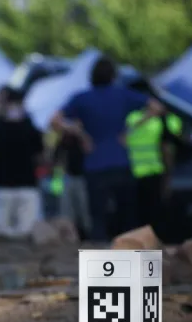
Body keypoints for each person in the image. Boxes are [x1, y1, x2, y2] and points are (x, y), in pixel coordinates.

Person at [51, 56, 145, 242]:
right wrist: (129, 130)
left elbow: (55, 121)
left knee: (98, 217)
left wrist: (80, 133)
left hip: (95, 164)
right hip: (120, 161)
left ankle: (100, 262)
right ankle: (130, 259)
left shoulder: (82, 98)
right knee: (126, 216)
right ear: (113, 75)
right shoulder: (123, 95)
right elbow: (157, 107)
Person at [0, 89, 45, 239]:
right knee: (24, 234)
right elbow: (41, 156)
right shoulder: (30, 126)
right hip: (26, 186)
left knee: (1, 233)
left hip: (4, 186)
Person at [126, 97, 181, 235]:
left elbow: (175, 131)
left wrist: (161, 116)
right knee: (137, 211)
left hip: (155, 170)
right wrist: (149, 116)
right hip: (134, 171)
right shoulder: (134, 117)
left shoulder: (167, 120)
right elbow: (128, 130)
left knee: (156, 209)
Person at [54, 130, 90, 240]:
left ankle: (87, 233)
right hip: (68, 177)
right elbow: (57, 158)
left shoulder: (84, 139)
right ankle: (70, 235)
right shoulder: (63, 141)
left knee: (84, 208)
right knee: (67, 208)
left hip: (83, 177)